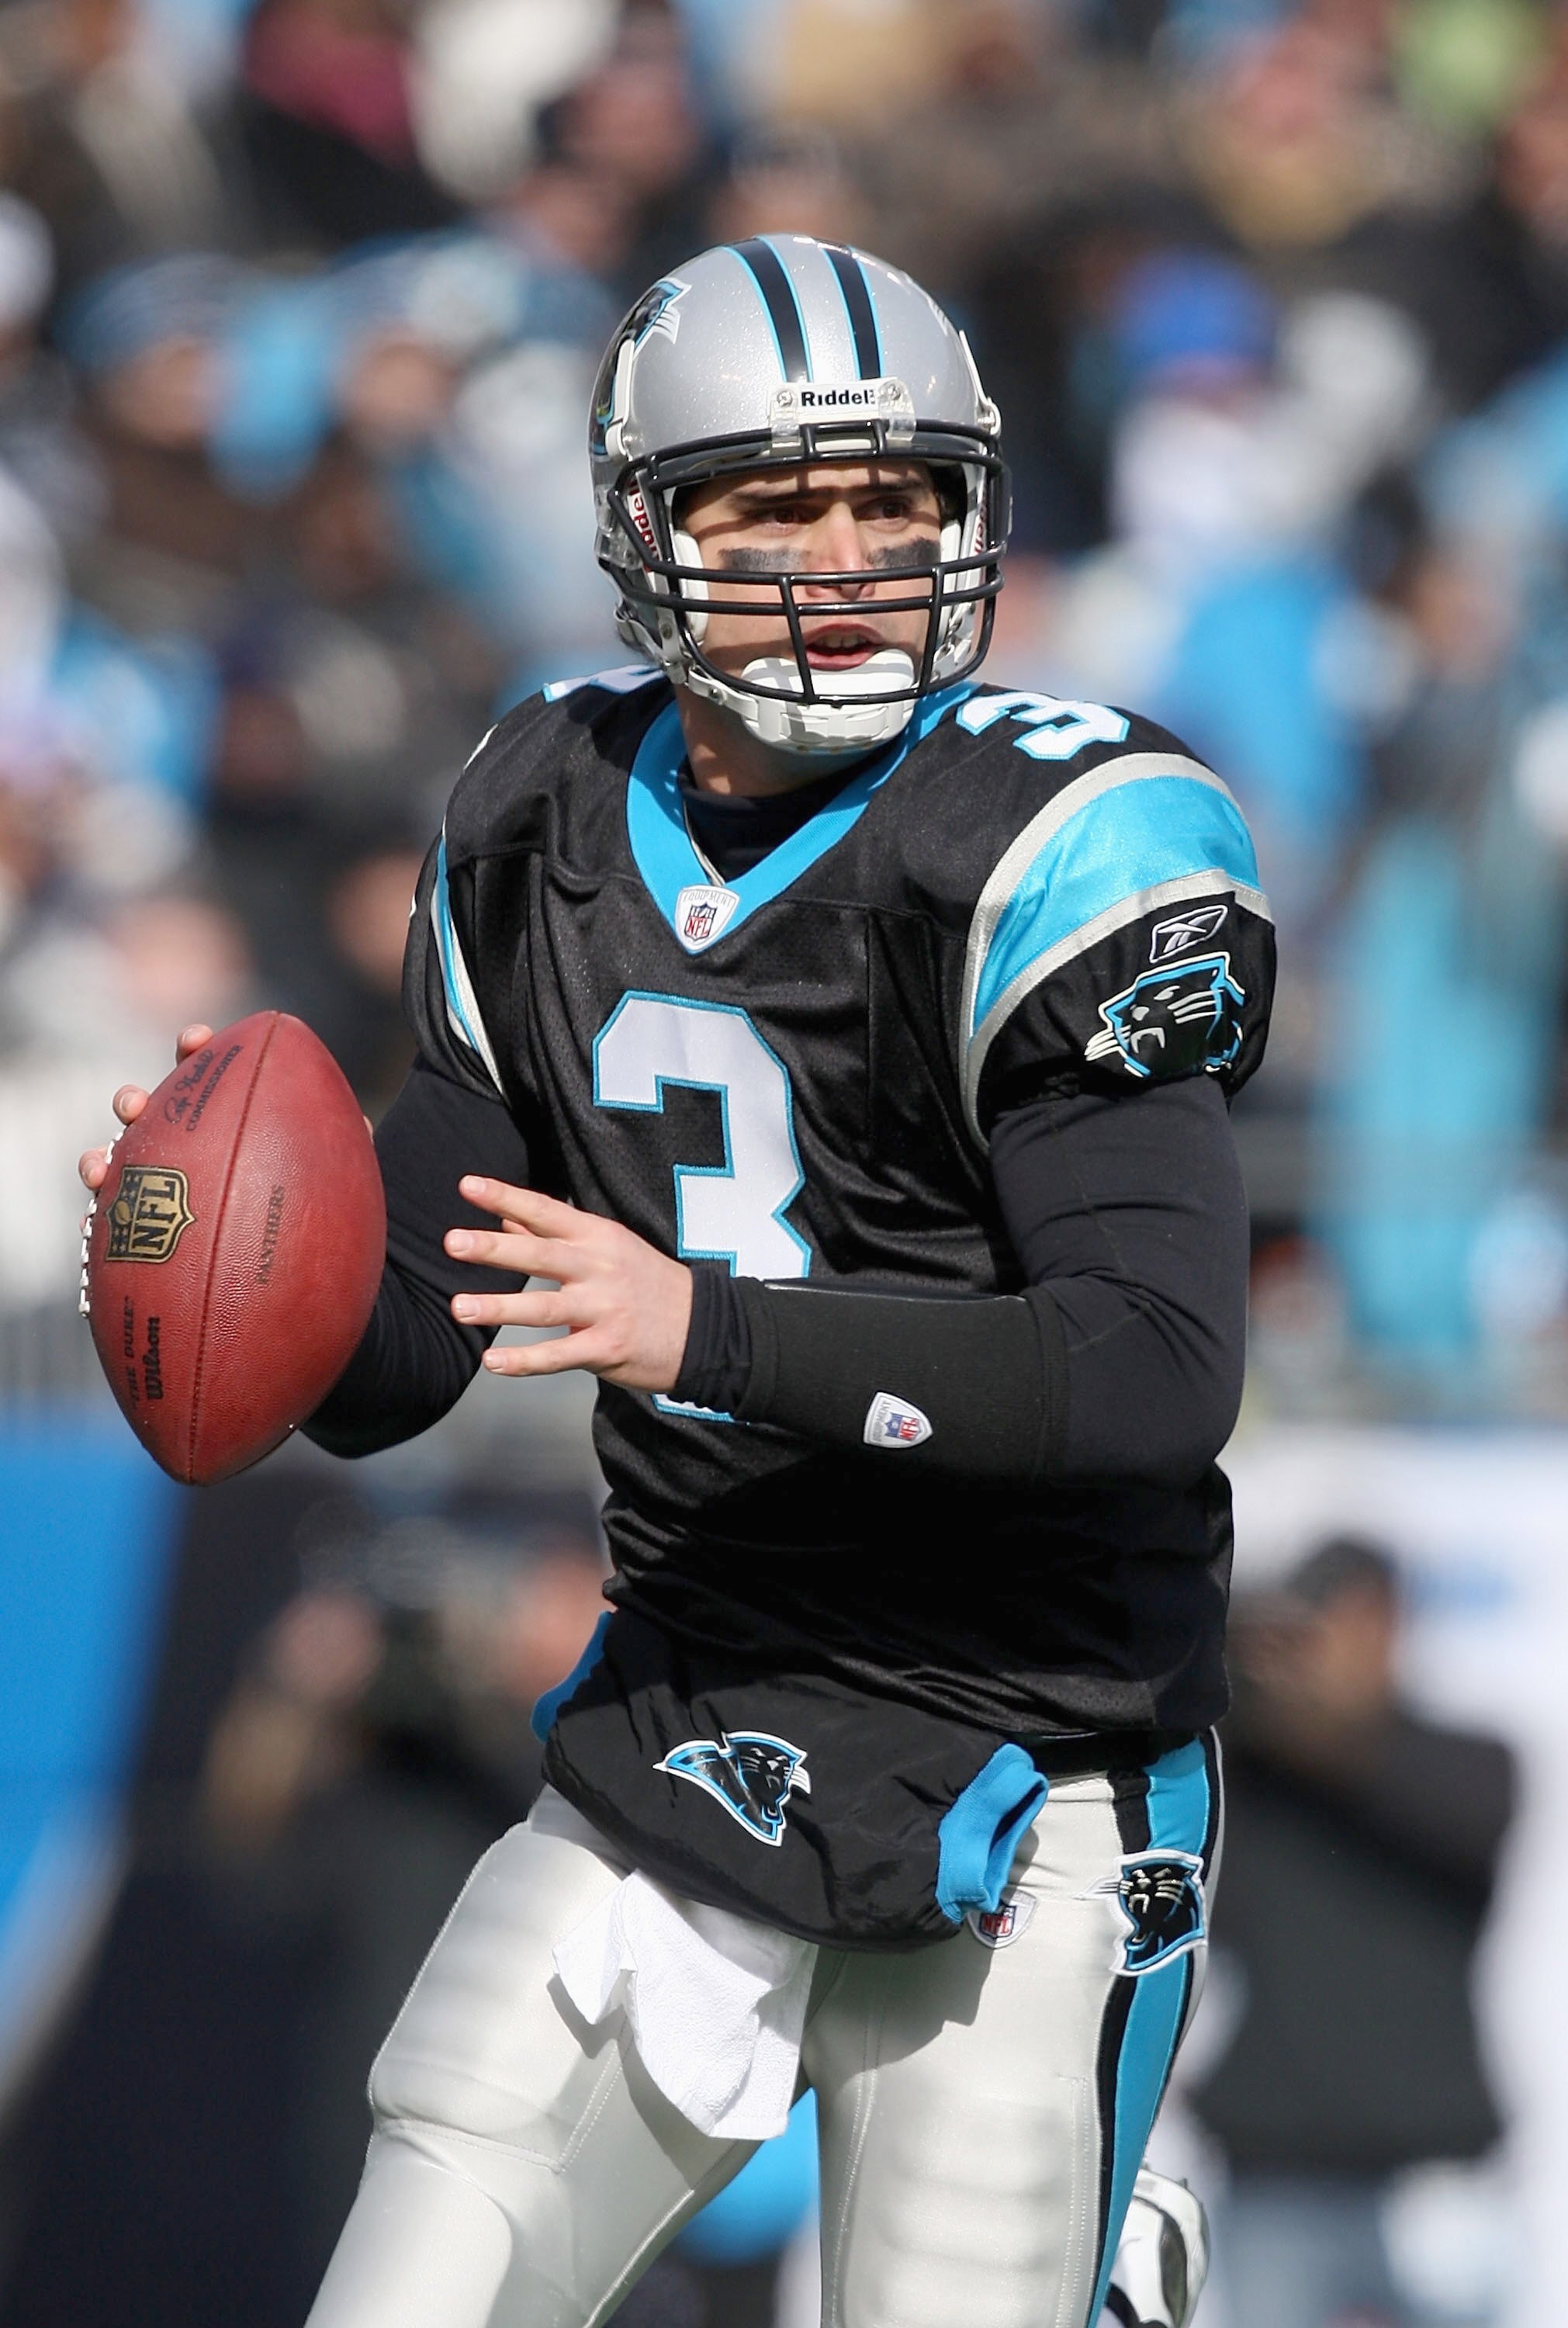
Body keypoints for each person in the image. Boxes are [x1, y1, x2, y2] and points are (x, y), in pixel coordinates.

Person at [81, 234, 1273, 2328]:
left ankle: (1104, 2254)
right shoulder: (539, 806)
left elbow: (1156, 1366)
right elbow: (398, 1366)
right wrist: (224, 1260)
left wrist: (699, 1326)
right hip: (693, 1704)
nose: (842, 550)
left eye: (890, 497)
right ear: (647, 529)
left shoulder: (1055, 837)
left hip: (1029, 1759)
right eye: (771, 502)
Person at [1195, 1536, 1517, 2328]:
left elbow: (1404, 1786)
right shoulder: (1251, 1773)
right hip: (1276, 2180)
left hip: (1434, 2185)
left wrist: (1288, 1696)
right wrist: (1224, 1651)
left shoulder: (1466, 1765)